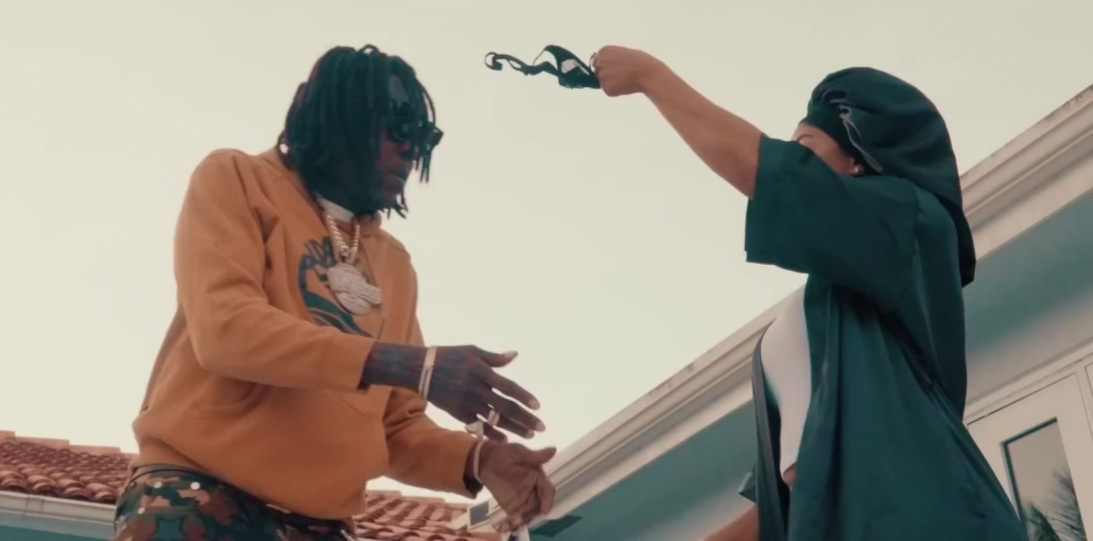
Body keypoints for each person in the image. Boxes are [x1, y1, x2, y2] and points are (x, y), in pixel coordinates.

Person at [117, 44, 556, 540]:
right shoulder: (238, 178)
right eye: (400, 124)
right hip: (198, 490)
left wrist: (480, 458)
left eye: (423, 135)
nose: (411, 149)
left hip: (321, 524)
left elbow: (394, 426)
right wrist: (411, 365)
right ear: (331, 111)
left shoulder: (393, 264)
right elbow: (227, 329)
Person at [590, 47, 1028, 541]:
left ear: (858, 160)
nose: (792, 154)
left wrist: (651, 76)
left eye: (805, 144)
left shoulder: (914, 225)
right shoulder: (825, 310)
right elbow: (782, 505)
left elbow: (765, 169)